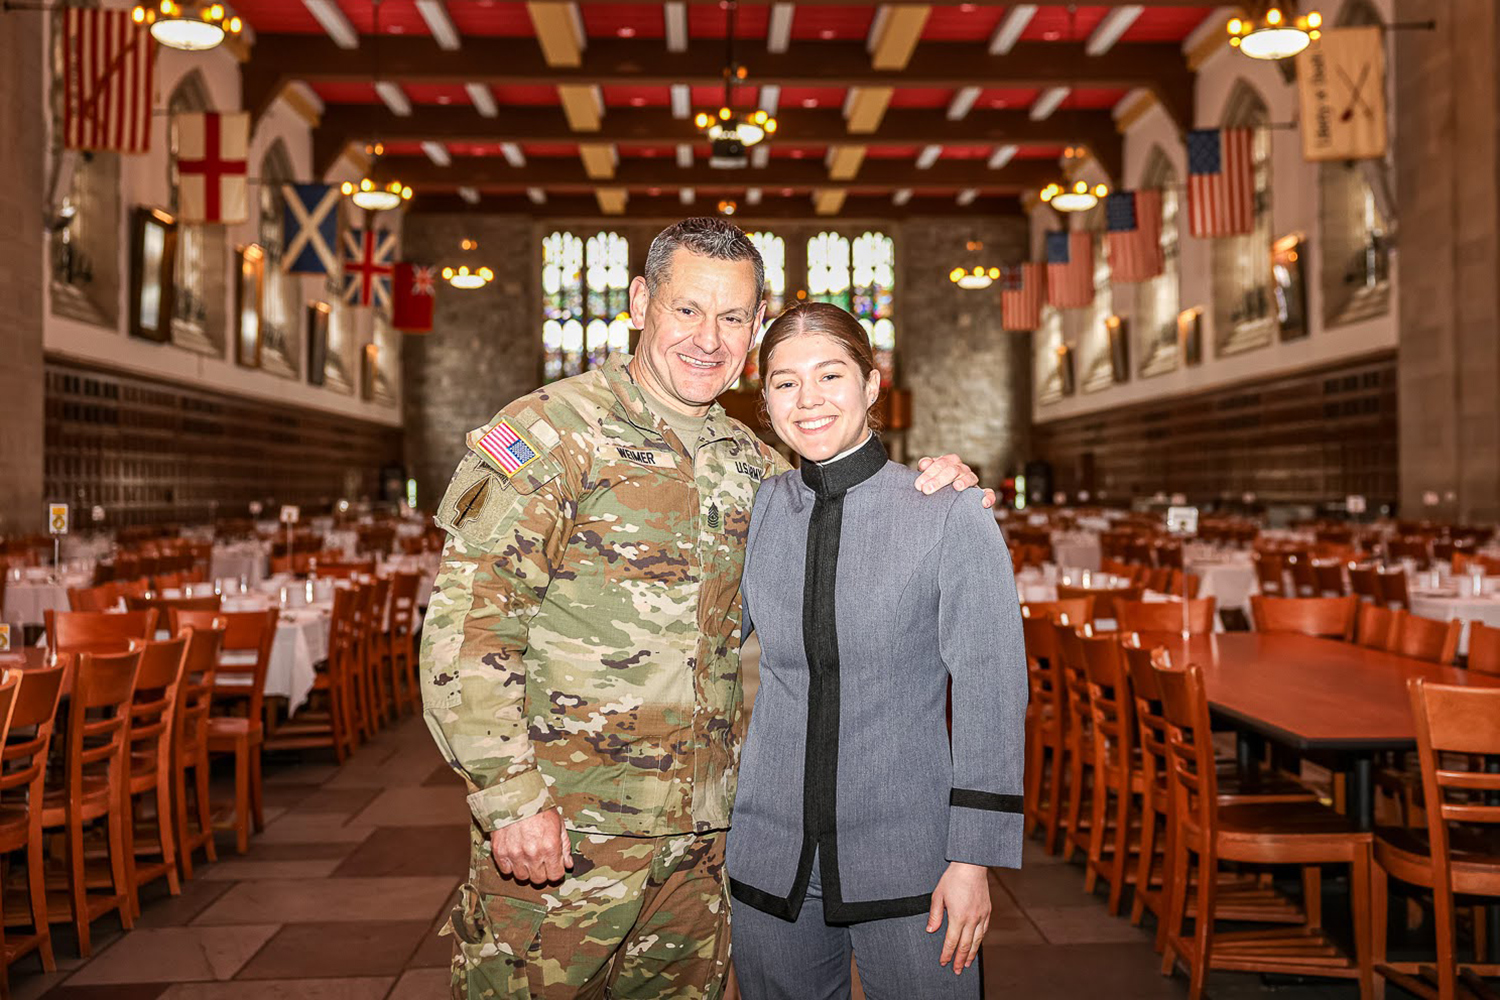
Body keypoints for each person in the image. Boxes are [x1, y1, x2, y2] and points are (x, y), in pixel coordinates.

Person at [420, 217, 992, 1000]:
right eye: (687, 310)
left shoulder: (756, 467)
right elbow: (467, 630)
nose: (707, 338)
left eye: (732, 317)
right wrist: (509, 799)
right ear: (640, 301)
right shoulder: (552, 431)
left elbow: (844, 548)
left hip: (707, 847)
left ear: (756, 327)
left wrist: (947, 491)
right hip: (569, 830)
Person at [727, 302, 1028, 1000]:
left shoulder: (949, 512)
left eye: (830, 375)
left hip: (912, 857)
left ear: (872, 383)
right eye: (784, 382)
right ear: (764, 400)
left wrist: (972, 858)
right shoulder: (756, 511)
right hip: (771, 855)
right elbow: (699, 639)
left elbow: (992, 690)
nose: (809, 401)